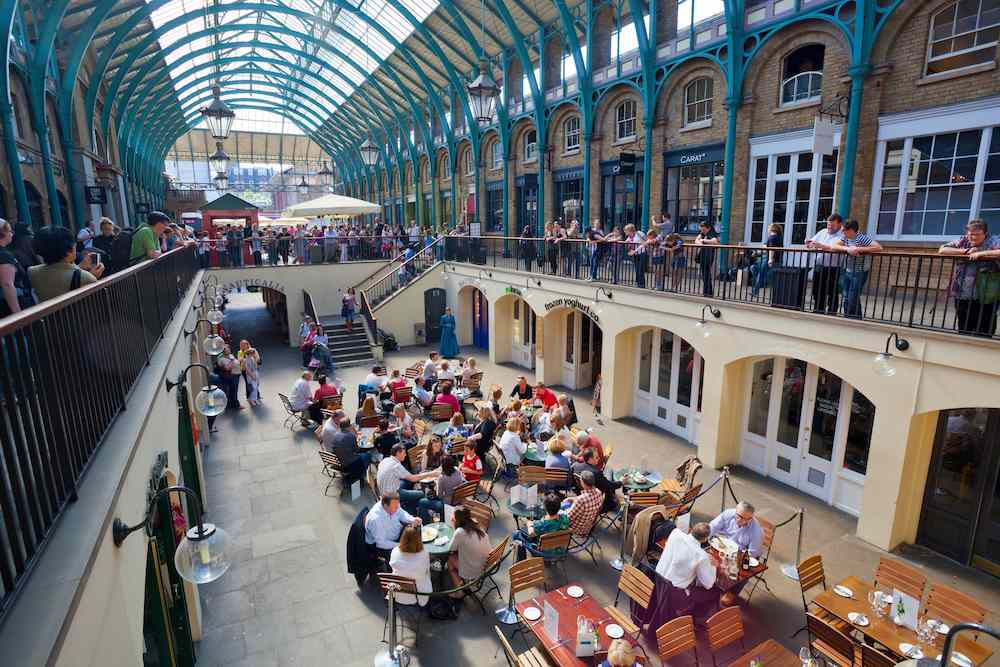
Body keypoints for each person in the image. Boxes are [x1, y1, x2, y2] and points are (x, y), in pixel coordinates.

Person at [938, 219, 1000, 336]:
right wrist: (966, 251)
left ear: (985, 234)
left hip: (987, 293)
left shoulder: (994, 240)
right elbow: (942, 249)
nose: (973, 237)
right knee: (964, 326)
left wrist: (982, 253)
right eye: (971, 234)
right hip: (963, 293)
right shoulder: (963, 240)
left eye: (977, 235)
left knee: (985, 327)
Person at [24, 226, 102, 302]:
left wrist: (79, 267)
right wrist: (92, 277)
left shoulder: (32, 272)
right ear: (69, 251)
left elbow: (58, 273)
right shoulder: (85, 278)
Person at [655, 521, 719, 613]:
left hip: (658, 581)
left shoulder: (675, 533)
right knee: (713, 592)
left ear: (691, 529)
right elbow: (708, 584)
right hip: (673, 594)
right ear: (706, 539)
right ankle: (698, 619)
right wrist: (713, 565)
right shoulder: (701, 556)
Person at [710, 501, 764, 605]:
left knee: (745, 568)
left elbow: (753, 553)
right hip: (723, 545)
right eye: (738, 515)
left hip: (742, 553)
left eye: (744, 518)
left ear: (750, 519)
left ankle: (732, 592)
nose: (739, 519)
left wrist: (735, 557)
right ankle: (712, 581)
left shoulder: (756, 531)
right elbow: (712, 527)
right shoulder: (728, 514)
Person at [833, 219, 882, 319]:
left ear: (851, 230)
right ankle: (853, 317)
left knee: (852, 296)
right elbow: (834, 246)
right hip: (848, 269)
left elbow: (878, 247)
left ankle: (852, 318)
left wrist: (858, 249)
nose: (843, 233)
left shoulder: (861, 238)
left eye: (845, 231)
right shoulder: (845, 238)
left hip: (859, 271)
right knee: (847, 296)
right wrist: (847, 249)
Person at [805, 213, 845, 315]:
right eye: (828, 225)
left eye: (832, 225)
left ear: (840, 224)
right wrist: (809, 243)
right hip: (819, 265)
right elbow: (812, 242)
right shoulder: (823, 232)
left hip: (833, 267)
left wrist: (820, 246)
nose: (829, 227)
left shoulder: (843, 235)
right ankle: (818, 309)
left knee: (832, 290)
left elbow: (834, 248)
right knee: (817, 289)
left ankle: (832, 311)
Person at [365, 492, 422, 560]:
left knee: (417, 532)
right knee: (406, 555)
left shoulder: (393, 504)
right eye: (395, 507)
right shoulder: (375, 519)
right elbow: (381, 543)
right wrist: (402, 545)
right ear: (386, 506)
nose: (397, 508)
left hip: (395, 536)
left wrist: (412, 519)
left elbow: (402, 513)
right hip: (382, 546)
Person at [448, 506, 492, 594]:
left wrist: (454, 527)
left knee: (449, 560)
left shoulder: (460, 532)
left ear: (457, 519)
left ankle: (459, 592)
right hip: (484, 565)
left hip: (472, 570)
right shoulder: (476, 525)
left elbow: (451, 549)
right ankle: (462, 585)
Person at [513, 493, 570, 559]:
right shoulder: (565, 518)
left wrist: (529, 523)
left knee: (516, 534)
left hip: (543, 553)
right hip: (560, 550)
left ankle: (521, 560)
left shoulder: (541, 524)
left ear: (545, 508)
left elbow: (531, 533)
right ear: (559, 507)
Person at [389, 525, 433, 607]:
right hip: (418, 593)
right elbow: (427, 570)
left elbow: (393, 568)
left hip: (398, 592)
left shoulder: (394, 551)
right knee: (427, 573)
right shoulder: (424, 553)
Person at [0, 219, 35, 317]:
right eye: (10, 231)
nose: (12, 234)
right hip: (8, 306)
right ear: (3, 233)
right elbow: (7, 284)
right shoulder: (3, 255)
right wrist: (17, 314)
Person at [324, 417, 370, 482]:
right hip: (349, 463)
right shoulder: (350, 435)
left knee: (363, 456)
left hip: (339, 462)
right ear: (348, 426)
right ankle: (359, 476)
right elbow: (356, 450)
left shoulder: (336, 435)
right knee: (367, 455)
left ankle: (359, 474)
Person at [751, 224, 782, 298]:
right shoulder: (779, 237)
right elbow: (769, 247)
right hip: (777, 259)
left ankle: (756, 290)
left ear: (772, 229)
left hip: (769, 259)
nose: (768, 229)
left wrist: (770, 259)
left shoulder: (771, 238)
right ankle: (762, 285)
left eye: (769, 228)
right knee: (754, 268)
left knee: (760, 274)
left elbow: (771, 249)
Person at [694, 221, 719, 296]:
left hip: (708, 255)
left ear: (709, 228)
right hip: (703, 255)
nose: (702, 231)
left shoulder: (712, 233)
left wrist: (704, 240)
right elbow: (696, 240)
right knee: (705, 274)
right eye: (701, 230)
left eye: (704, 230)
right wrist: (700, 242)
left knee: (707, 274)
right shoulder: (703, 233)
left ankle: (708, 292)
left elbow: (715, 241)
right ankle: (707, 291)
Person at [216, 346, 242, 410]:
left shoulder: (230, 356)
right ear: (224, 351)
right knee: (233, 391)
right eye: (227, 349)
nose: (229, 350)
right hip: (232, 376)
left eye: (229, 349)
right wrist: (232, 360)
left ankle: (231, 404)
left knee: (233, 390)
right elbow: (227, 368)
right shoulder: (221, 359)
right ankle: (236, 405)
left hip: (237, 374)